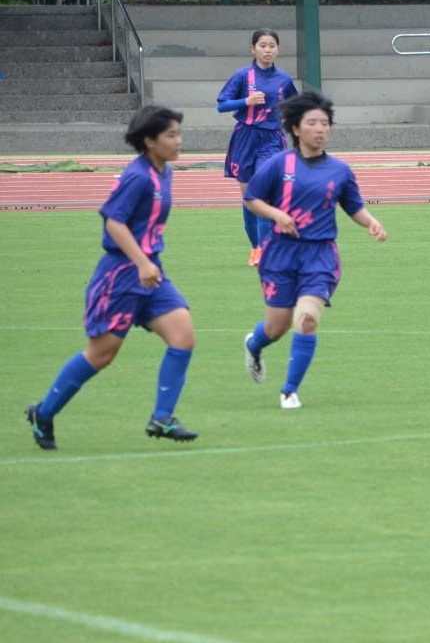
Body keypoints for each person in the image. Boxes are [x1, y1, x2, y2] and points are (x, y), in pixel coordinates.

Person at [24, 106, 199, 450]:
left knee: (183, 336)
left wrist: (149, 265)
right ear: (149, 141)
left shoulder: (164, 172)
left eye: (179, 133)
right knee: (102, 354)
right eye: (171, 135)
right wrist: (141, 263)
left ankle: (162, 417)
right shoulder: (137, 177)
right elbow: (113, 222)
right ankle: (44, 412)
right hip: (120, 276)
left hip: (151, 272)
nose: (179, 141)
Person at [240, 91, 387, 409]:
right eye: (312, 123)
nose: (320, 129)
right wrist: (277, 214)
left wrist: (371, 222)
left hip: (319, 256)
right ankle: (254, 344)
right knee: (276, 327)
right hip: (279, 253)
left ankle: (289, 390)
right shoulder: (279, 164)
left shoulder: (340, 170)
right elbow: (252, 198)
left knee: (306, 319)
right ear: (296, 128)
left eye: (325, 123)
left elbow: (354, 207)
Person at [217, 28, 298, 267]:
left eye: (272, 45)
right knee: (249, 197)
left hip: (272, 139)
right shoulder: (242, 76)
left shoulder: (284, 80)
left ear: (278, 50)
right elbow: (221, 105)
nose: (267, 49)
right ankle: (255, 247)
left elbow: (295, 106)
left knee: (263, 194)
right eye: (263, 45)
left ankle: (266, 250)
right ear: (253, 49)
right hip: (245, 138)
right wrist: (246, 101)